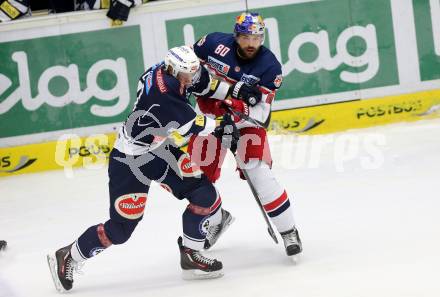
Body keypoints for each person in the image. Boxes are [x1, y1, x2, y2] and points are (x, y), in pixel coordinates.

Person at [47, 45, 240, 292]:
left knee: (204, 193)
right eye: (186, 75)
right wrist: (223, 124)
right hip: (129, 161)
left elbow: (203, 83)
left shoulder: (171, 70)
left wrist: (234, 93)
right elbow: (193, 124)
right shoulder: (163, 94)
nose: (189, 79)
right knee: (120, 230)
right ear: (173, 70)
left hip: (157, 150)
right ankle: (68, 256)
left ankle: (191, 254)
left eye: (191, 73)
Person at [187, 12, 303, 257]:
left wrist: (237, 112)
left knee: (258, 171)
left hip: (246, 123)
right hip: (209, 121)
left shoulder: (270, 66)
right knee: (196, 181)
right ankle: (218, 220)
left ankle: (288, 230)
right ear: (236, 35)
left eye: (257, 38)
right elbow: (186, 65)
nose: (252, 44)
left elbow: (263, 115)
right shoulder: (211, 43)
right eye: (246, 37)